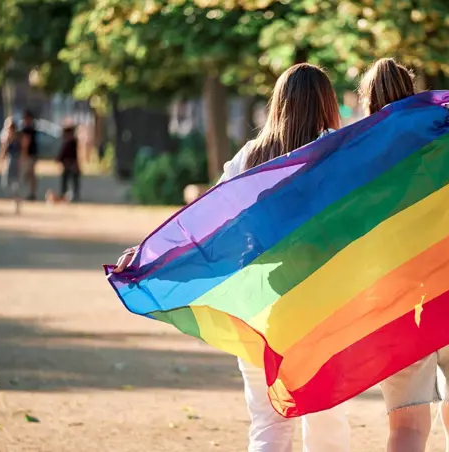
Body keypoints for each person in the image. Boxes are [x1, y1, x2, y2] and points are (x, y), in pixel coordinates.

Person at [114, 63, 350, 452]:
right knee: (326, 420)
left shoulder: (249, 158)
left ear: (279, 104)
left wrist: (147, 257)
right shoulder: (342, 153)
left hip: (261, 307)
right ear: (327, 103)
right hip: (323, 305)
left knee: (267, 424)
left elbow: (205, 224)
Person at [358, 58, 449, 452]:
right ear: (413, 92)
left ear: (367, 101)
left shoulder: (360, 155)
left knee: (407, 428)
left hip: (399, 300)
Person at [0, 118, 22, 214]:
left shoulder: (18, 138)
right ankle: (16, 198)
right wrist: (0, 160)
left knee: (15, 183)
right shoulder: (6, 138)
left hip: (16, 161)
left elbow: (22, 150)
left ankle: (17, 203)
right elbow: (3, 151)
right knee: (6, 184)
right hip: (9, 161)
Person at [56, 125, 81, 202]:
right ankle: (65, 194)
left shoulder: (72, 142)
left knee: (72, 179)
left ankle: (74, 194)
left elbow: (71, 154)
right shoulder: (67, 142)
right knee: (66, 179)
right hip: (67, 164)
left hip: (71, 164)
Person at [20, 110, 39, 200]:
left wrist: (23, 155)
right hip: (32, 155)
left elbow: (25, 143)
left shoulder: (27, 130)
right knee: (31, 175)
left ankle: (28, 193)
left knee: (27, 174)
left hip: (29, 155)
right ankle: (31, 192)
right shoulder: (32, 129)